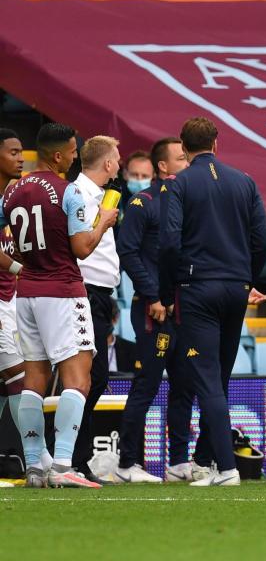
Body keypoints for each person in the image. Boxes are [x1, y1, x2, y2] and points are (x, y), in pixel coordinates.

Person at [1, 123, 118, 488]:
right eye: (71, 151)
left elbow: (10, 247)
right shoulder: (68, 193)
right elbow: (83, 248)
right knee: (78, 379)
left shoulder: (11, 192)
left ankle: (34, 465)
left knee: (34, 380)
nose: (74, 157)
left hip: (27, 293)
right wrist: (103, 223)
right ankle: (63, 463)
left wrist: (25, 266)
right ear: (58, 155)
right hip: (64, 291)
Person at [159, 117, 266, 487]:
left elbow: (170, 242)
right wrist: (247, 277)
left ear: (183, 146)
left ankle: (226, 469)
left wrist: (169, 287)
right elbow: (263, 242)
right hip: (236, 288)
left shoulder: (180, 185)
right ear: (216, 143)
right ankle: (206, 462)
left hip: (198, 288)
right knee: (218, 378)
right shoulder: (244, 181)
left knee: (207, 380)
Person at [115, 136, 195, 483]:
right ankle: (127, 465)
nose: (188, 163)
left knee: (184, 384)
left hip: (185, 308)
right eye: (181, 158)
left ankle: (178, 462)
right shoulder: (142, 203)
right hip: (153, 311)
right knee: (147, 384)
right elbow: (129, 253)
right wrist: (153, 296)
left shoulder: (190, 202)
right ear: (163, 166)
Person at [71, 135, 123, 482]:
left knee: (93, 379)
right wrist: (104, 219)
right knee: (89, 378)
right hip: (86, 291)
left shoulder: (100, 196)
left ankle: (75, 457)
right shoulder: (77, 195)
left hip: (102, 293)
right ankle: (71, 456)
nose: (118, 165)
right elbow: (81, 245)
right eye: (116, 159)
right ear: (106, 164)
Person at [0, 128, 35, 468]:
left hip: (9, 300)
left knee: (7, 377)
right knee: (16, 373)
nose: (20, 157)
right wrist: (17, 269)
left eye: (22, 151)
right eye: (12, 152)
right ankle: (36, 456)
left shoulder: (10, 202)